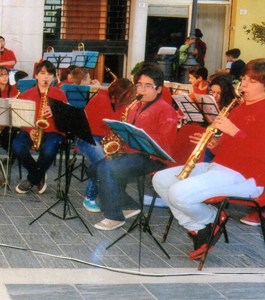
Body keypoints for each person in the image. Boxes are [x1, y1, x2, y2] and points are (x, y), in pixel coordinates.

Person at [152, 58, 265, 260]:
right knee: (160, 180)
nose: (243, 85)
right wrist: (216, 144)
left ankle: (212, 219)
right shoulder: (239, 108)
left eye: (252, 81)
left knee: (179, 192)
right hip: (220, 168)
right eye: (243, 79)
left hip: (249, 178)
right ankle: (199, 226)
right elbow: (232, 147)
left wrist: (235, 131)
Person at [87, 63, 178, 231]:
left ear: (159, 89)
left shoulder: (166, 110)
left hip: (153, 157)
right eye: (140, 85)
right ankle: (128, 205)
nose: (142, 90)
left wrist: (141, 135)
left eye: (148, 86)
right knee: (93, 169)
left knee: (107, 169)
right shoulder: (135, 105)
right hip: (133, 153)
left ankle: (114, 216)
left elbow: (167, 141)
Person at [75, 78, 137, 213]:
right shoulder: (101, 99)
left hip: (104, 139)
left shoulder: (121, 104)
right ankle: (89, 197)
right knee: (103, 162)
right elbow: (103, 123)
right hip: (87, 138)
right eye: (126, 99)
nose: (128, 103)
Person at [12, 60, 68, 194]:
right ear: (36, 76)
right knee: (17, 147)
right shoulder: (27, 94)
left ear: (54, 77)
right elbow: (21, 119)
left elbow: (67, 121)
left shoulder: (59, 94)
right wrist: (29, 130)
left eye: (50, 74)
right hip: (32, 130)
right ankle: (39, 173)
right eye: (43, 73)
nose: (46, 77)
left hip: (54, 131)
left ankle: (33, 179)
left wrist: (56, 112)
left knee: (49, 150)